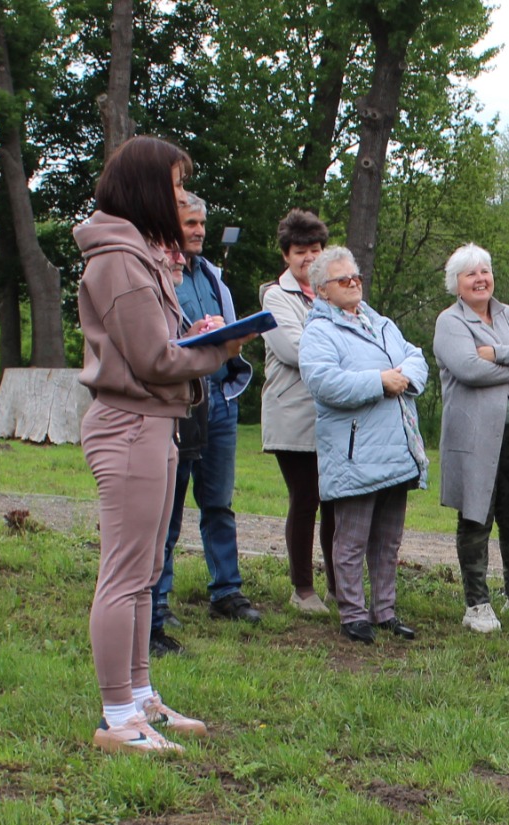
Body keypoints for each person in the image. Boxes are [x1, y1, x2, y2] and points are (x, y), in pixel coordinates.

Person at [73, 136, 253, 754]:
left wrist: (200, 334)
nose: (181, 199)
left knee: (148, 571)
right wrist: (216, 350)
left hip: (154, 422)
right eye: (175, 187)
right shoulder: (119, 259)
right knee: (125, 575)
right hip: (129, 425)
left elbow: (155, 341)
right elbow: (151, 358)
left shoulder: (139, 253)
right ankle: (118, 718)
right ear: (148, 188)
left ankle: (141, 695)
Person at [297, 247, 428, 644]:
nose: (354, 284)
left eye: (356, 277)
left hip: (396, 448)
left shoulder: (382, 322)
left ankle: (384, 610)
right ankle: (353, 613)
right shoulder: (319, 332)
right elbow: (322, 382)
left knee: (388, 540)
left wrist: (403, 377)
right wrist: (380, 381)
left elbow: (416, 358)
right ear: (322, 290)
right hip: (355, 452)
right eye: (343, 280)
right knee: (352, 540)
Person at [151, 191, 257, 655]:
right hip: (179, 400)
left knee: (218, 503)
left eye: (200, 224)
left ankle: (226, 591)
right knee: (168, 506)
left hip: (218, 399)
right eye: (188, 223)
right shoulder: (156, 273)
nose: (196, 231)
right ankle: (156, 601)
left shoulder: (213, 275)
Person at [432, 244, 509, 633]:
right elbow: (469, 369)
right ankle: (476, 603)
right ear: (456, 283)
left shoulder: (507, 314)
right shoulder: (450, 322)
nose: (480, 279)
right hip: (473, 438)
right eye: (471, 274)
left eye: (485, 271)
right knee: (475, 517)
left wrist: (496, 353)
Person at [260, 208, 337, 614]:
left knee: (337, 500)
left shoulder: (337, 290)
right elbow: (295, 350)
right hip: (293, 415)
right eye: (300, 251)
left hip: (333, 417)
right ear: (286, 256)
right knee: (306, 498)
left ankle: (337, 588)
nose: (308, 258)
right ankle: (302, 588)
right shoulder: (275, 296)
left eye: (315, 250)